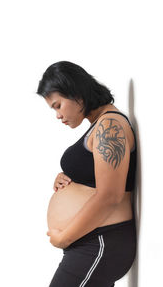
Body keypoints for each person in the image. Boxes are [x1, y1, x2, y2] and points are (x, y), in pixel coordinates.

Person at [36, 61, 137, 287]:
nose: (57, 115)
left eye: (58, 105)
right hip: (92, 242)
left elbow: (110, 195)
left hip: (101, 241)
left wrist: (65, 237)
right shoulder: (100, 125)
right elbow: (95, 174)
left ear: (76, 93)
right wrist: (68, 176)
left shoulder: (109, 126)